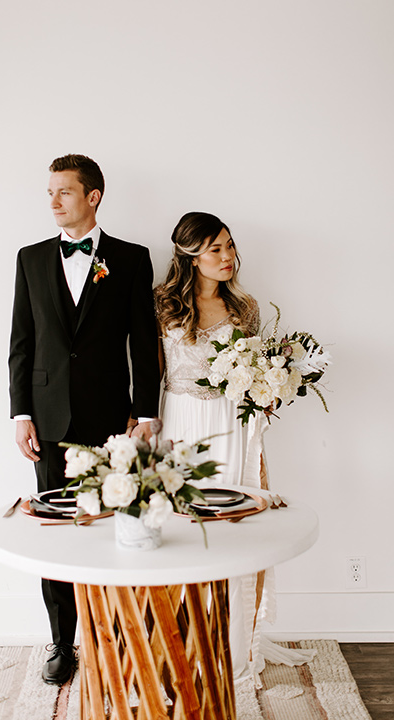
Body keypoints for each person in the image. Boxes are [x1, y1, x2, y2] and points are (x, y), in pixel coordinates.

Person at [9, 154, 160, 685]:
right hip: (47, 421)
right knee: (54, 533)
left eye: (64, 192)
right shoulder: (29, 259)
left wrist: (146, 411)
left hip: (110, 421)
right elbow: (21, 346)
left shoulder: (132, 259)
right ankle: (62, 643)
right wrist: (22, 413)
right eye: (50, 192)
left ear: (92, 196)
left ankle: (116, 635)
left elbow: (145, 343)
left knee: (117, 530)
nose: (52, 201)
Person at [156, 211, 315, 684]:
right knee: (183, 531)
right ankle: (182, 640)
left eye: (229, 246)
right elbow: (145, 370)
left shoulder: (245, 308)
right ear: (190, 257)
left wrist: (268, 391)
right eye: (215, 250)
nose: (227, 257)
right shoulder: (162, 305)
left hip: (232, 424)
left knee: (234, 529)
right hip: (180, 423)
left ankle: (232, 643)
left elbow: (255, 375)